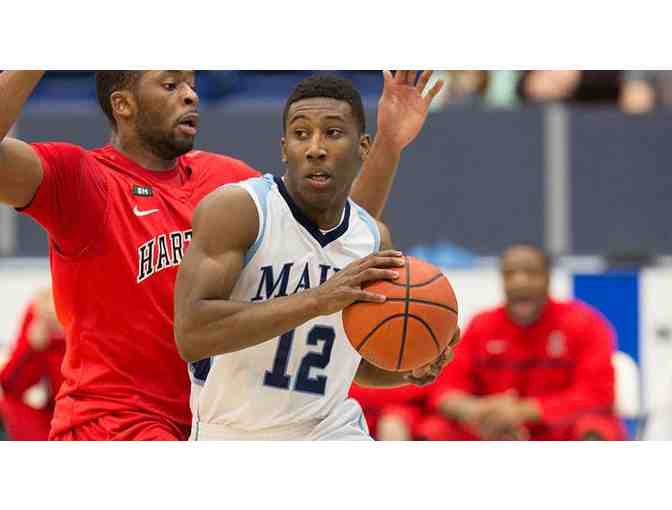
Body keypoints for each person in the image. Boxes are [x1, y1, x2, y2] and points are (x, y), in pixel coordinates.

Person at [0, 70, 444, 440]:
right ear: (124, 105)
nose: (191, 93)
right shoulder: (80, 178)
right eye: (170, 85)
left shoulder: (227, 183)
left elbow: (336, 242)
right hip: (115, 421)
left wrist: (388, 144)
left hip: (211, 418)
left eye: (191, 82)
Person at [174, 75, 458, 440]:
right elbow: (192, 334)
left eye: (334, 133)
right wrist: (316, 300)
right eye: (301, 133)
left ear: (363, 146)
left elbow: (351, 363)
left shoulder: (372, 237)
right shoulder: (240, 210)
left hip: (329, 429)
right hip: (230, 433)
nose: (315, 148)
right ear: (283, 147)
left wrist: (409, 367)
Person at [419, 243, 626, 441]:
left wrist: (523, 411)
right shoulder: (481, 325)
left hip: (557, 428)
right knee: (434, 429)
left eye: (531, 272)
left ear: (547, 277)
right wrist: (476, 411)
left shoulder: (585, 323)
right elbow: (444, 391)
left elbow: (598, 394)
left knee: (597, 428)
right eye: (510, 274)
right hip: (491, 430)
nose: (520, 281)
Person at [0, 287, 66, 440]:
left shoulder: (109, 309)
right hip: (56, 418)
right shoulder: (45, 310)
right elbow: (10, 387)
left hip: (101, 415)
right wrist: (32, 346)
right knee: (8, 407)